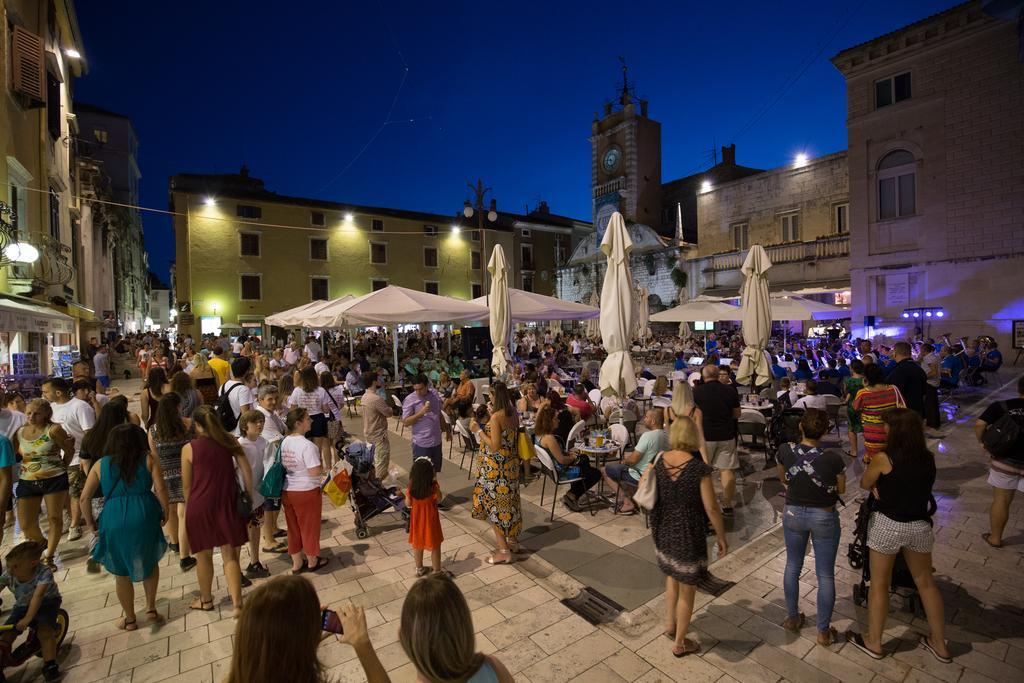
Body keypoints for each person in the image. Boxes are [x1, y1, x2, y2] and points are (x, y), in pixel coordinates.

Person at [847, 409, 952, 663]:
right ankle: (940, 644)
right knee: (926, 583)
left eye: (887, 427)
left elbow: (864, 482)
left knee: (879, 584)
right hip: (919, 525)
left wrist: (874, 483)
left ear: (895, 431)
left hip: (888, 524)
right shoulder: (928, 458)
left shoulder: (884, 457)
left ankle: (875, 642)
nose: (884, 430)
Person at [649, 417, 728, 657]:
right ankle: (681, 643)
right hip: (688, 532)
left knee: (672, 575)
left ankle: (670, 623)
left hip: (663, 527)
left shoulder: (660, 459)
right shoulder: (699, 469)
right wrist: (722, 536)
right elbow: (712, 508)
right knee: (688, 589)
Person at [80, 423, 168, 631]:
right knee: (149, 560)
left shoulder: (100, 464)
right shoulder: (149, 459)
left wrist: (91, 523)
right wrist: (166, 511)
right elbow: (161, 487)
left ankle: (129, 619)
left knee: (120, 570)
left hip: (113, 515)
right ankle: (151, 609)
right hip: (144, 511)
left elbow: (84, 497)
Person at [775, 409, 846, 645]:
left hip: (793, 513)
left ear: (801, 428)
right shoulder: (834, 458)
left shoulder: (785, 451)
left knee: (792, 566)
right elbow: (841, 489)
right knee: (825, 574)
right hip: (824, 517)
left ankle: (792, 618)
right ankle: (823, 632)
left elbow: (784, 479)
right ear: (825, 431)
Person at [182, 406, 251, 617]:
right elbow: (246, 471)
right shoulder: (230, 441)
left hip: (199, 505)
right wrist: (247, 496)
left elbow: (186, 486)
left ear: (198, 425)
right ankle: (238, 605)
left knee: (203, 556)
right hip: (226, 502)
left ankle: (206, 600)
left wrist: (189, 507)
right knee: (230, 555)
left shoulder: (189, 448)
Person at [14, 399, 74, 569]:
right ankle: (43, 543)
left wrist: (63, 465)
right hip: (27, 480)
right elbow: (19, 453)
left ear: (46, 414)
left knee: (54, 517)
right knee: (26, 524)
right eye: (28, 413)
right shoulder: (20, 432)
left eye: (36, 413)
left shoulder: (54, 430)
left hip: (53, 478)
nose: (31, 417)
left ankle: (49, 556)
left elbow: (69, 449)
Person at [471, 381, 521, 564]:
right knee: (511, 504)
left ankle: (503, 551)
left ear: (494, 396)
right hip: (512, 466)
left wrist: (479, 431)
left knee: (494, 507)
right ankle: (513, 541)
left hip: (496, 469)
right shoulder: (513, 412)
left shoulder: (496, 418)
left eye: (490, 395)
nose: (489, 398)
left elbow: (494, 445)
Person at [43, 376, 97, 541]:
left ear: (58, 392)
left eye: (46, 391)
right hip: (56, 459)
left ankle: (75, 524)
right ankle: (68, 518)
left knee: (75, 492)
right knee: (62, 492)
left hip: (76, 457)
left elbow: (89, 433)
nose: (43, 394)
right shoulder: (51, 409)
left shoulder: (79, 407)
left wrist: (86, 456)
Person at [0, 541, 63, 681]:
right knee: (5, 636)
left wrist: (28, 619)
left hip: (47, 602)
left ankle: (50, 664)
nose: (10, 570)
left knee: (45, 633)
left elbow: (38, 596)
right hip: (22, 605)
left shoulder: (44, 573)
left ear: (33, 563)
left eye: (15, 566)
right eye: (8, 566)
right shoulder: (9, 574)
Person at [148, 393, 196, 571]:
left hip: (165, 476)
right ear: (177, 407)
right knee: (183, 514)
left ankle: (175, 542)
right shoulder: (188, 425)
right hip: (187, 474)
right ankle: (185, 553)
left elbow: (154, 456)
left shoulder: (153, 430)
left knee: (170, 511)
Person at [975, 376, 1024, 548]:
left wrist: (983, 443)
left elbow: (980, 424)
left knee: (1002, 499)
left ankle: (995, 538)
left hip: (1005, 459)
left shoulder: (1002, 406)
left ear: (1019, 389)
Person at [280, 408, 329, 574]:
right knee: (309, 526)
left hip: (288, 489)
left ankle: (296, 562)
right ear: (298, 423)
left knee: (293, 527)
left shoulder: (285, 441)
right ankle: (312, 560)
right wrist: (323, 468)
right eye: (308, 419)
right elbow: (314, 472)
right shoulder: (307, 446)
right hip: (306, 490)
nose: (312, 421)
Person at [533, 403, 601, 512]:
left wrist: (570, 454)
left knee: (584, 459)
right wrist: (573, 458)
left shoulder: (539, 434)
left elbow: (557, 454)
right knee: (596, 473)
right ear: (549, 421)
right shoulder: (549, 438)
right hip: (561, 472)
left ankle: (577, 488)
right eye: (556, 419)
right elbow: (562, 460)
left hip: (551, 470)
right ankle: (572, 494)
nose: (559, 421)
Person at [693, 364, 741, 516]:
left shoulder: (697, 392)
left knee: (703, 472)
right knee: (726, 470)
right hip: (726, 436)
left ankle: (705, 503)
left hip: (704, 438)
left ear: (704, 376)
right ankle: (727, 505)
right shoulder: (729, 391)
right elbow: (737, 414)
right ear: (717, 375)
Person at [603, 409, 670, 514]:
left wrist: (623, 462)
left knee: (606, 470)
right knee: (621, 467)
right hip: (660, 475)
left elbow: (633, 459)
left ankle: (627, 502)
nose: (644, 419)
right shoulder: (668, 436)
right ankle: (633, 498)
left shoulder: (648, 436)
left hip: (642, 475)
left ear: (653, 421)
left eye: (646, 417)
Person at [238, 410, 270, 579]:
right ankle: (235, 571)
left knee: (256, 528)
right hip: (243, 498)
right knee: (239, 533)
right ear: (244, 426)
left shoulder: (263, 442)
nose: (260, 424)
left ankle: (254, 561)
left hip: (258, 496)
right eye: (255, 422)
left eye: (261, 421)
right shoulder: (239, 445)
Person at [853, 363, 904, 464]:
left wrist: (864, 387)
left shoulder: (863, 393)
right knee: (893, 462)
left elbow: (855, 407)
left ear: (866, 377)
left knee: (876, 465)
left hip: (873, 435)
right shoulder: (893, 389)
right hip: (893, 433)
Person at [402, 374, 450, 474]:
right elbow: (406, 422)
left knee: (434, 472)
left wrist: (446, 429)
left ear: (427, 385)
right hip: (421, 443)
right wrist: (421, 413)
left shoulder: (434, 393)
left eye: (421, 389)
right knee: (421, 475)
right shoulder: (410, 399)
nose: (418, 392)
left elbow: (438, 412)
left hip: (436, 441)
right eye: (416, 389)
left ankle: (433, 490)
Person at [406, 457, 445, 576]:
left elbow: (408, 504)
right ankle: (437, 570)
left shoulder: (411, 487)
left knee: (417, 544)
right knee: (435, 545)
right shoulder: (433, 487)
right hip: (431, 520)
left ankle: (419, 568)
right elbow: (439, 499)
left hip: (417, 520)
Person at [287, 367, 332, 468]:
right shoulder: (321, 390)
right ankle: (319, 471)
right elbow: (326, 410)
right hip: (318, 419)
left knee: (304, 448)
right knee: (317, 450)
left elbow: (293, 409)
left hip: (302, 420)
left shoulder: (297, 391)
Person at [361, 372, 393, 480]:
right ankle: (377, 488)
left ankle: (375, 485)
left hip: (369, 433)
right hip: (378, 435)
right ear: (374, 382)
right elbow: (389, 413)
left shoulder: (364, 396)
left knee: (374, 461)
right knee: (381, 464)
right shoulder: (375, 399)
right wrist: (391, 408)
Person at [886, 342, 927, 418]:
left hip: (904, 414)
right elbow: (924, 392)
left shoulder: (899, 371)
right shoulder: (919, 368)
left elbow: (894, 393)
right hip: (917, 410)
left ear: (895, 353)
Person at [220, 358, 255, 436]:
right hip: (238, 432)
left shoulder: (223, 386)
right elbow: (245, 415)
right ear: (247, 371)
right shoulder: (243, 389)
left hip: (226, 429)